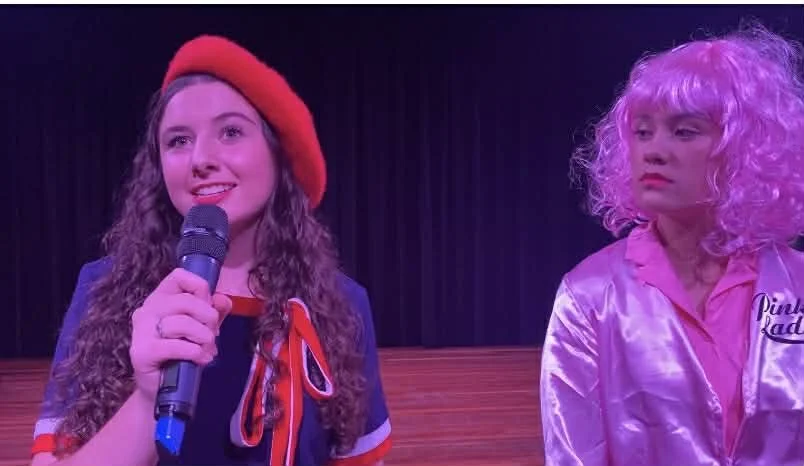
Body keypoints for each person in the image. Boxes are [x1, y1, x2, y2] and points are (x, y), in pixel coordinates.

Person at [30, 35, 392, 466]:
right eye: (178, 141)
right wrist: (147, 398)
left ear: (279, 154)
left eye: (231, 132)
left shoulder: (342, 304)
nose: (200, 158)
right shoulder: (102, 289)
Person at [540, 24, 804, 466]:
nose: (653, 151)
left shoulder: (796, 283)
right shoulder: (589, 297)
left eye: (684, 132)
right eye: (642, 132)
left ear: (745, 147)